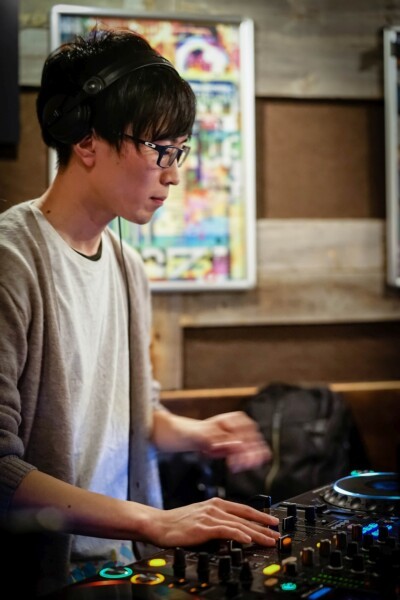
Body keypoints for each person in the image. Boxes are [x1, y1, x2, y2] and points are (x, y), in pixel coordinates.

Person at [0, 28, 279, 597]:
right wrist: (155, 521)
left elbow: (136, 417)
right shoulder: (13, 261)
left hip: (124, 568)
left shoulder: (128, 267)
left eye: (179, 152)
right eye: (160, 150)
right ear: (86, 140)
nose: (173, 174)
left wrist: (201, 433)